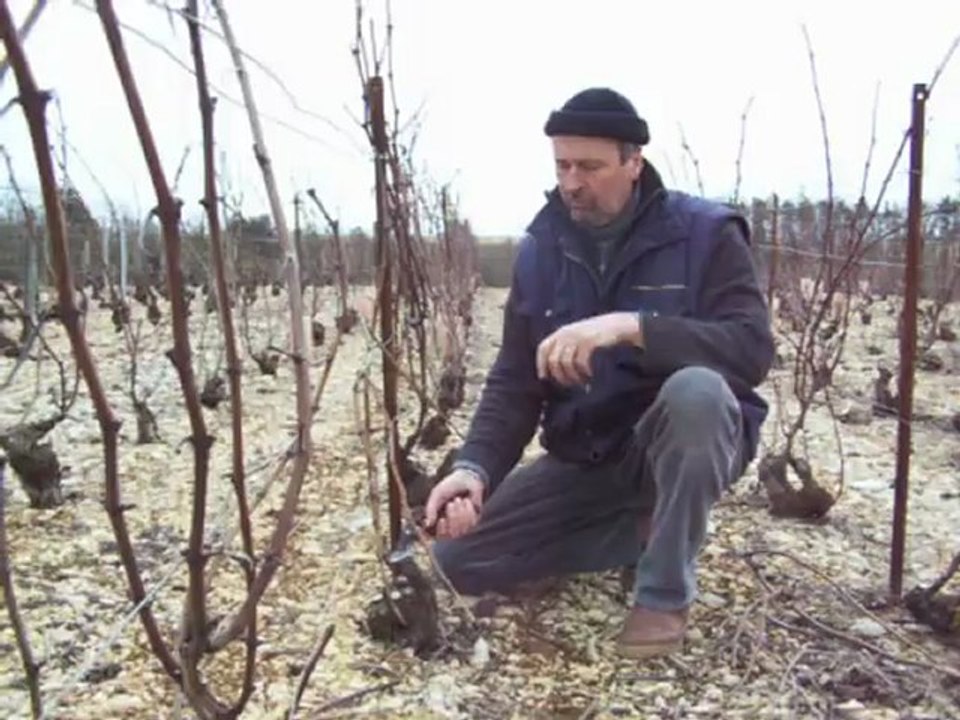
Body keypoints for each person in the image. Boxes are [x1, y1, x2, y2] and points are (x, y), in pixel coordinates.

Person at [423, 87, 774, 659]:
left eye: (590, 166)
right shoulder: (542, 248)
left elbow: (751, 351)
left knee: (697, 393)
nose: (571, 182)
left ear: (634, 163)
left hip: (684, 441)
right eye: (562, 165)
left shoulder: (707, 233)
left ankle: (663, 593)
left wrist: (634, 325)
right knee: (454, 563)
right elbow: (515, 380)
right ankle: (635, 531)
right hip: (588, 453)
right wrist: (474, 469)